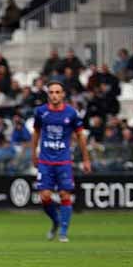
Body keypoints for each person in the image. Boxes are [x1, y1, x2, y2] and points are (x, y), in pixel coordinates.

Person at [31, 80, 91, 243]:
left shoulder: (71, 113)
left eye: (58, 92)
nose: (54, 95)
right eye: (51, 92)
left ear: (63, 94)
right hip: (45, 160)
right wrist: (33, 154)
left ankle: (63, 231)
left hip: (64, 161)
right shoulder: (40, 112)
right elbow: (36, 133)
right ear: (47, 94)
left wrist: (86, 159)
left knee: (65, 194)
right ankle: (56, 221)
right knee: (44, 196)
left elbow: (80, 136)